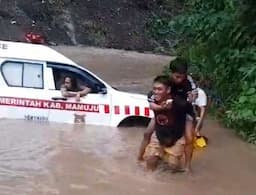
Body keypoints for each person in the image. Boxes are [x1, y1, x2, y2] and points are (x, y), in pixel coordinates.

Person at [138, 57, 196, 173]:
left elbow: (192, 96)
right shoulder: (165, 83)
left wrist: (191, 97)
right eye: (177, 76)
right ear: (171, 73)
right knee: (147, 132)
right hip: (164, 112)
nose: (179, 79)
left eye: (182, 76)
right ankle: (140, 157)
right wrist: (161, 107)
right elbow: (152, 100)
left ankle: (187, 166)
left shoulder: (188, 82)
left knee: (190, 138)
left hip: (183, 111)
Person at [143, 75, 187, 171]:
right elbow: (151, 106)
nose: (156, 92)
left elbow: (187, 111)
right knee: (150, 161)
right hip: (159, 134)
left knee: (172, 167)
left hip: (176, 137)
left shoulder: (178, 101)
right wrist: (162, 108)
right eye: (154, 89)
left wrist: (173, 106)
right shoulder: (152, 96)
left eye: (159, 89)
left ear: (168, 90)